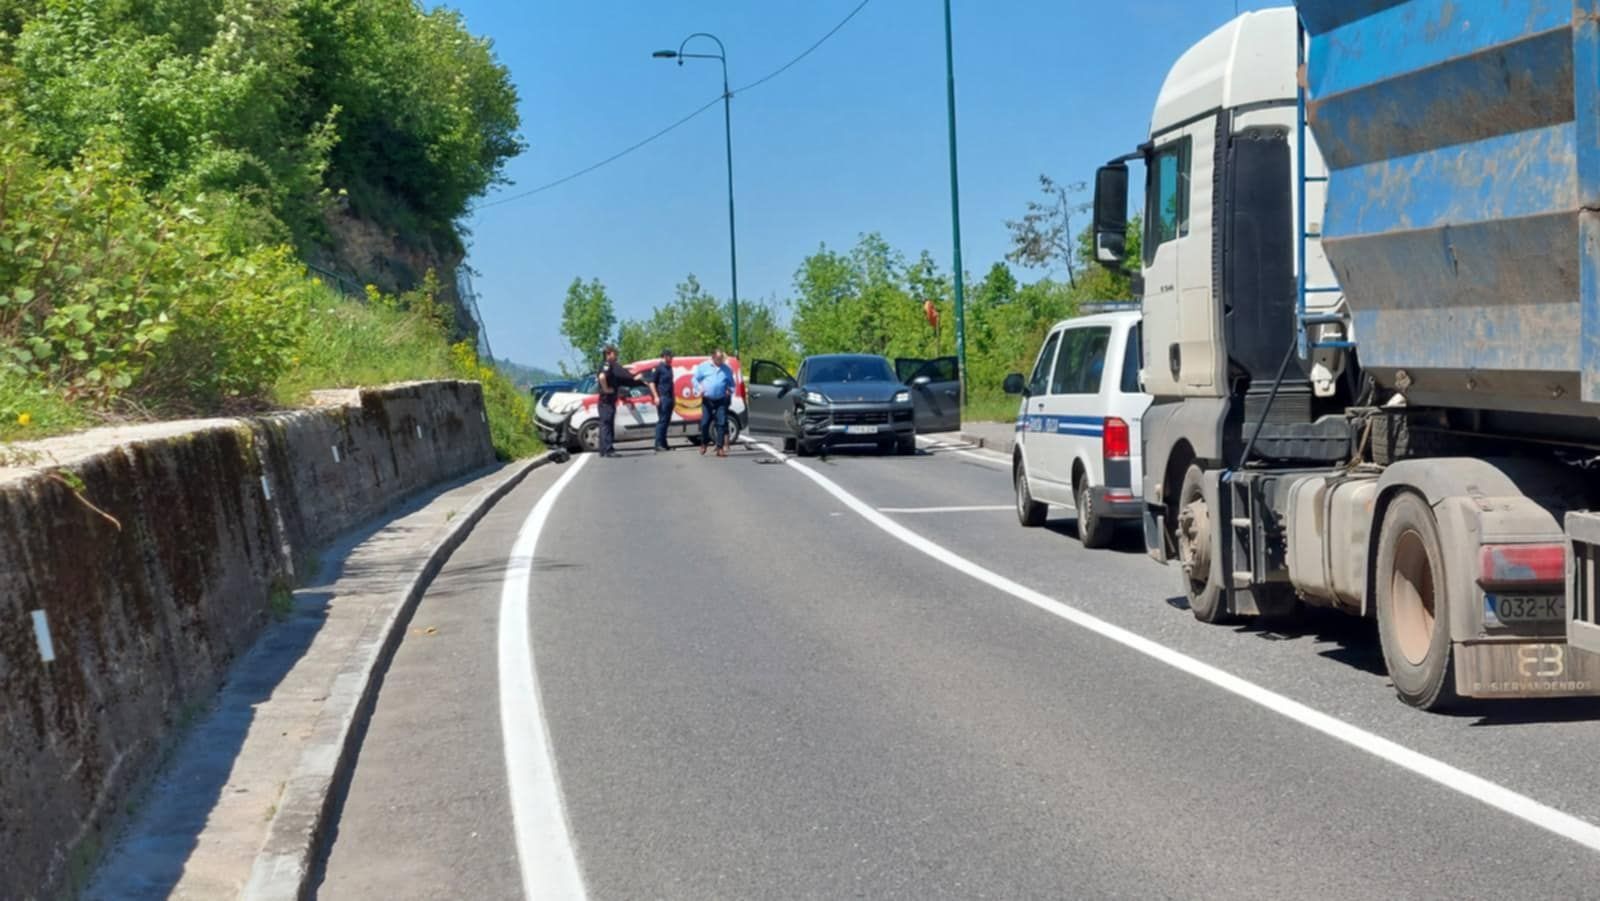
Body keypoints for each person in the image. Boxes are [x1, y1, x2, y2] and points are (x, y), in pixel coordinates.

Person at [596, 345, 644, 457]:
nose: (616, 355)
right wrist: (606, 389)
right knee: (607, 424)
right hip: (606, 401)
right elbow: (602, 377)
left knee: (605, 424)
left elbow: (621, 378)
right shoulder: (607, 365)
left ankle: (603, 450)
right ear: (608, 354)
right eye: (614, 353)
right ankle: (608, 450)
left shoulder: (609, 366)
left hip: (606, 401)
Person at [693, 348, 736, 458]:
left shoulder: (726, 369)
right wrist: (699, 388)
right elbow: (694, 379)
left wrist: (729, 390)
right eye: (718, 359)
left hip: (721, 399)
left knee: (721, 423)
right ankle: (704, 443)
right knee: (705, 423)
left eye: (721, 359)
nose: (720, 361)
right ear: (713, 358)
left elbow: (732, 384)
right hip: (707, 400)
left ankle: (720, 448)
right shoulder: (704, 366)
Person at [647, 349, 676, 452]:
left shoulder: (669, 368)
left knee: (666, 421)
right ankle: (658, 444)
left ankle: (664, 443)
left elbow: (671, 384)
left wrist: (673, 398)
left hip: (669, 398)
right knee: (662, 421)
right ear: (665, 356)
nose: (672, 358)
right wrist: (656, 397)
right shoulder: (658, 368)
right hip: (662, 397)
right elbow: (651, 383)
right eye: (670, 356)